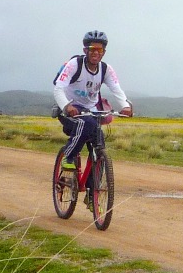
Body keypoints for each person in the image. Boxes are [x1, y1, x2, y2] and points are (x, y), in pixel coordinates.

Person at [53, 30, 133, 170]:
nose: (96, 52)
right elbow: (58, 89)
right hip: (69, 109)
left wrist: (125, 106)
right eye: (92, 49)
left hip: (91, 109)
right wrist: (67, 106)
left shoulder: (105, 69)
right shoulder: (74, 64)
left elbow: (116, 89)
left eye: (99, 49)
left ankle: (93, 189)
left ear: (104, 52)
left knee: (99, 143)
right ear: (85, 50)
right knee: (87, 124)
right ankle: (68, 156)